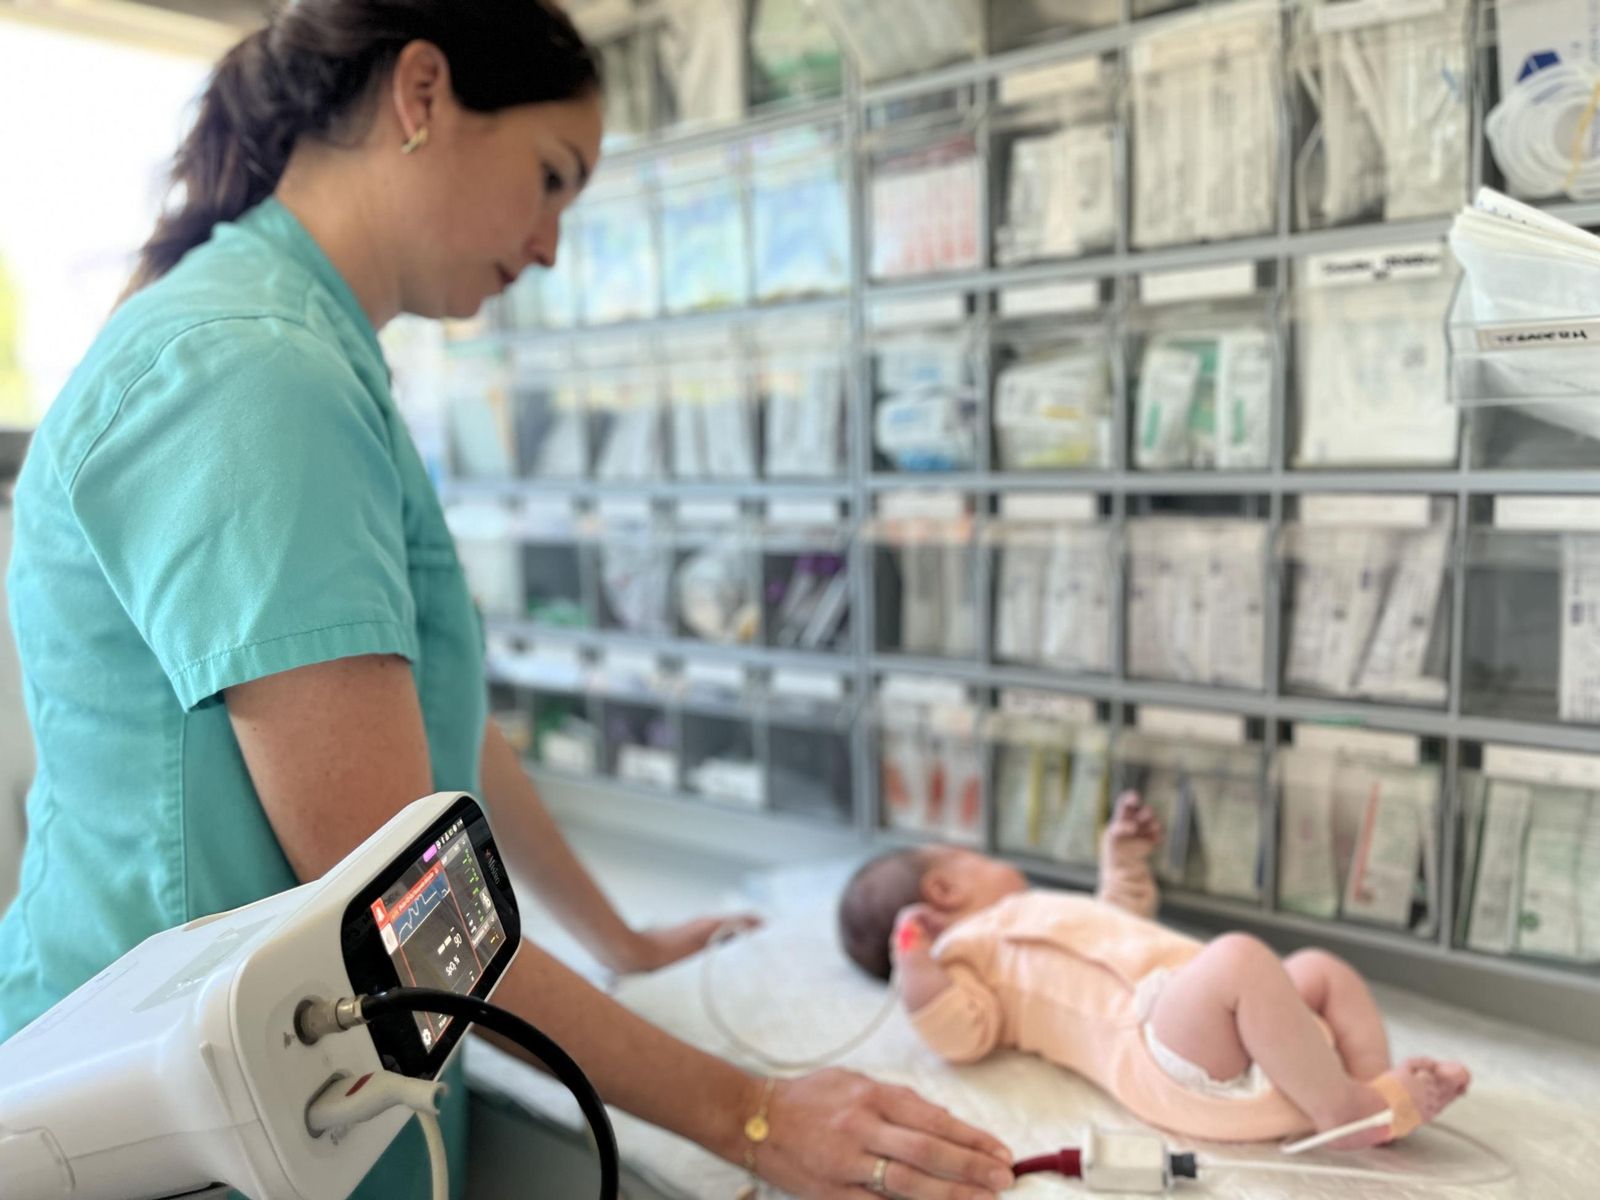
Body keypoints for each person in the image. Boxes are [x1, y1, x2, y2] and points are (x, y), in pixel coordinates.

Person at [0, 3, 1015, 1198]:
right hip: (179, 1131)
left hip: (304, 1087)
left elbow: (435, 727)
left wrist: (617, 939)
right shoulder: (251, 367)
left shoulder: (321, 359)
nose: (547, 247)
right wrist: (752, 1117)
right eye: (548, 180)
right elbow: (404, 903)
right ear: (421, 95)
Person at [839, 794, 1471, 1149]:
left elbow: (1119, 923)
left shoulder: (1040, 912)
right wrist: (917, 965)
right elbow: (958, 1034)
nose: (992, 861)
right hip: (1154, 1047)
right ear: (945, 886)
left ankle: (1372, 1088)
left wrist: (1122, 859)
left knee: (1318, 969)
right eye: (973, 857)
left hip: (1210, 1015)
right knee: (1241, 957)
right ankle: (1344, 1106)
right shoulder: (965, 958)